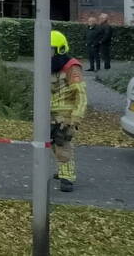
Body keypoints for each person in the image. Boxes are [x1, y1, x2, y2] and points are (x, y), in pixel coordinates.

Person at [50, 30, 87, 193]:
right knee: (53, 144)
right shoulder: (51, 66)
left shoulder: (72, 68)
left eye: (51, 51)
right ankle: (62, 170)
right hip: (50, 115)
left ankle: (67, 179)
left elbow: (81, 95)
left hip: (65, 117)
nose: (48, 55)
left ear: (60, 50)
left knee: (63, 145)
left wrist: (75, 119)